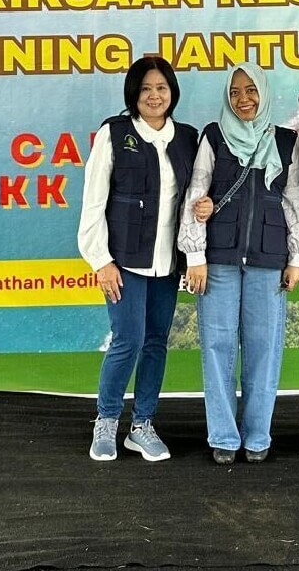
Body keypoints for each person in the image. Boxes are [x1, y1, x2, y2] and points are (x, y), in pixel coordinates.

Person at [178, 62, 299, 464]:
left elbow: (293, 201)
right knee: (217, 348)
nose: (243, 99)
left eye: (250, 90)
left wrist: (298, 257)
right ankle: (223, 436)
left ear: (264, 93)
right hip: (217, 259)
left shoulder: (287, 141)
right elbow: (197, 193)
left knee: (264, 349)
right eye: (235, 92)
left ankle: (257, 436)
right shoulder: (214, 137)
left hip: (270, 260)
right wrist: (194, 256)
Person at [78, 56, 198, 463]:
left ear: (172, 93)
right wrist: (101, 260)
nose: (154, 95)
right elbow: (93, 203)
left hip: (167, 264)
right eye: (146, 88)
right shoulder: (114, 133)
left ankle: (142, 424)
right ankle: (107, 421)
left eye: (161, 88)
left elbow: (195, 196)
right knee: (127, 341)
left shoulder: (187, 138)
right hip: (123, 261)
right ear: (134, 94)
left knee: (155, 343)